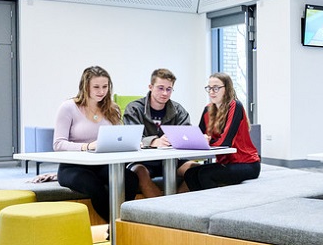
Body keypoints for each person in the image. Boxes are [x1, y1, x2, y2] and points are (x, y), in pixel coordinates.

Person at [54, 66, 140, 219]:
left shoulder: (112, 109)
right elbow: (58, 144)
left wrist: (128, 143)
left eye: (105, 87)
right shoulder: (68, 107)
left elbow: (118, 136)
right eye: (96, 87)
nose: (101, 91)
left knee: (130, 180)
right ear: (85, 86)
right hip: (73, 167)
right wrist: (87, 146)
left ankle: (118, 225)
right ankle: (117, 226)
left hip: (103, 165)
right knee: (94, 186)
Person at [178, 73, 260, 192]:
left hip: (246, 163)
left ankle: (214, 207)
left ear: (226, 89)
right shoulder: (208, 109)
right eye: (209, 88)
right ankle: (200, 206)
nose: (212, 91)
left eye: (216, 88)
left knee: (205, 174)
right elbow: (199, 137)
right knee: (190, 174)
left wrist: (207, 140)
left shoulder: (235, 106)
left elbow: (226, 142)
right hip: (226, 163)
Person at [123, 68, 191, 198]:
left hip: (172, 160)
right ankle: (162, 212)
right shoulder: (134, 108)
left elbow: (186, 134)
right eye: (160, 88)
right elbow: (131, 138)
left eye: (169, 89)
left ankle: (174, 207)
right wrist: (154, 141)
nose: (165, 93)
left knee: (195, 169)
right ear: (150, 87)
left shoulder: (178, 110)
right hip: (143, 161)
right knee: (140, 172)